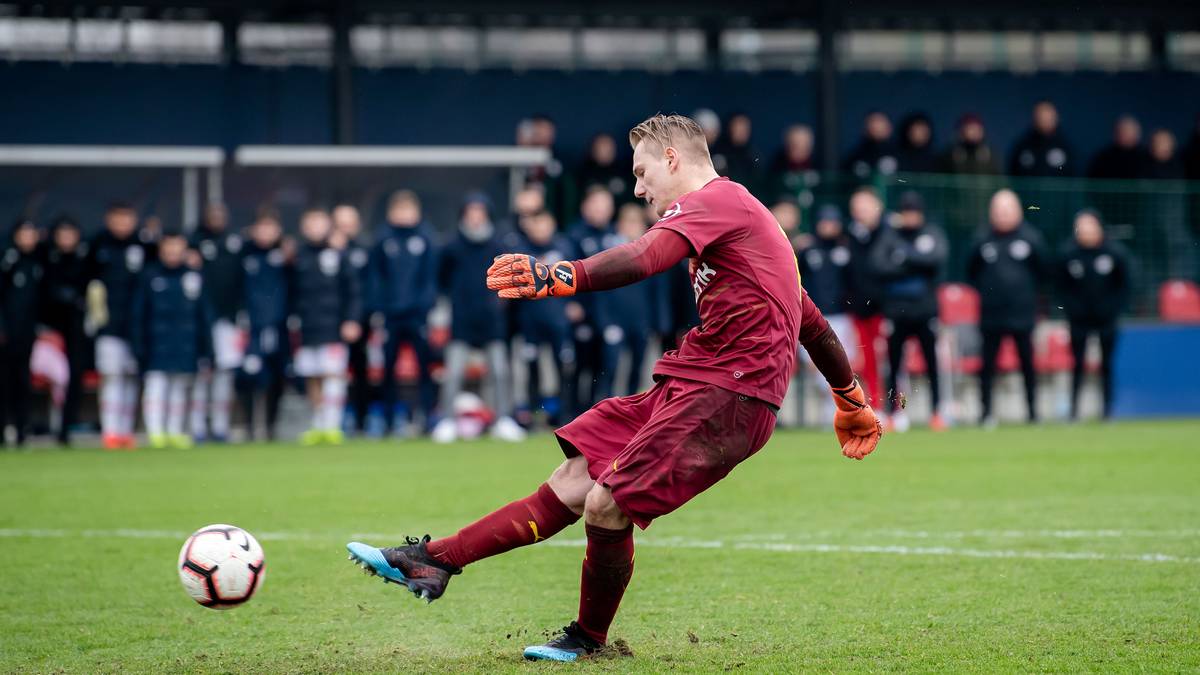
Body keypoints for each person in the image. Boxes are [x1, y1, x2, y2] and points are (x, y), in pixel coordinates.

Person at [346, 113, 883, 662]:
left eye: (642, 171)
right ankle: (434, 560)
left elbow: (648, 256)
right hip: (694, 380)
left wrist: (561, 275)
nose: (638, 188)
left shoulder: (717, 202)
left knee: (607, 502)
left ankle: (589, 639)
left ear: (673, 159)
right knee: (575, 478)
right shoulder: (738, 222)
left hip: (730, 394)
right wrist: (851, 400)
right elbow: (810, 319)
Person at [431, 192, 525, 444]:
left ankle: (503, 419)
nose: (475, 217)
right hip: (461, 320)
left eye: (479, 212)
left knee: (499, 371)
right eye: (471, 212)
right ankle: (447, 421)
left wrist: (499, 304)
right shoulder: (451, 246)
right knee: (453, 374)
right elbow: (441, 281)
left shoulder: (498, 245)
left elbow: (512, 279)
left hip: (492, 321)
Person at [966, 189, 1047, 426]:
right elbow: (971, 271)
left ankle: (1032, 413)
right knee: (988, 365)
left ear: (1018, 211)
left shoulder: (1031, 238)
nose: (1002, 215)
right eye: (997, 211)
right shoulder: (982, 239)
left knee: (1027, 364)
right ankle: (986, 414)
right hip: (991, 315)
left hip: (1022, 314)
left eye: (1007, 210)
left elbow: (1042, 272)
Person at [870, 191, 948, 432]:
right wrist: (916, 266)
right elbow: (878, 265)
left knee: (932, 363)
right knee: (893, 364)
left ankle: (937, 412)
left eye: (914, 212)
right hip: (897, 310)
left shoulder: (931, 233)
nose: (911, 217)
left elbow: (936, 260)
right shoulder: (890, 234)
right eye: (907, 213)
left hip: (925, 310)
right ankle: (894, 413)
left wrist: (904, 257)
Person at [130, 228, 212, 449]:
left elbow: (204, 315)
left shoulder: (193, 276)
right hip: (156, 343)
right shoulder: (149, 275)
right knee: (156, 387)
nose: (173, 251)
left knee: (180, 388)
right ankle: (155, 433)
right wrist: (138, 344)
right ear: (161, 248)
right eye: (169, 246)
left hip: (186, 343)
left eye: (178, 247)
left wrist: (207, 349)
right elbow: (138, 313)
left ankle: (175, 431)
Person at [290, 207, 361, 445]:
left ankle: (333, 425)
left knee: (334, 375)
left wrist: (351, 319)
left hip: (334, 325)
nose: (315, 229)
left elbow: (353, 290)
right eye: (310, 225)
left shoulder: (339, 254)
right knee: (313, 376)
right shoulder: (297, 255)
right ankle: (317, 424)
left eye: (320, 224)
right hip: (308, 326)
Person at [370, 190, 437, 435]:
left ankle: (426, 418)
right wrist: (380, 307)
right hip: (391, 316)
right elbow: (376, 277)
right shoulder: (383, 239)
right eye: (399, 210)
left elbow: (430, 278)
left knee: (424, 368)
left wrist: (424, 307)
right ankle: (388, 420)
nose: (404, 215)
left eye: (408, 210)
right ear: (391, 213)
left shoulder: (425, 238)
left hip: (417, 315)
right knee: (387, 369)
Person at [85, 202, 148, 450]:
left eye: (127, 219)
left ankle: (125, 431)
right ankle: (109, 430)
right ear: (109, 219)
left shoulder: (144, 245)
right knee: (111, 376)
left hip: (135, 327)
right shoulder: (97, 246)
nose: (123, 224)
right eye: (118, 219)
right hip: (108, 325)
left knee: (131, 377)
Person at [1056, 210, 1131, 421]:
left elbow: (1125, 286)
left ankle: (1108, 410)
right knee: (1077, 363)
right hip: (1078, 319)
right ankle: (1074, 411)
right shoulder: (1068, 253)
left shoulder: (1115, 253)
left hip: (1107, 319)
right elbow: (1060, 288)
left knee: (1107, 364)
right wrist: (1071, 310)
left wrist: (1113, 309)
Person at [506, 208, 578, 425]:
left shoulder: (564, 248)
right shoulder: (521, 252)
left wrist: (575, 304)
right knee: (532, 368)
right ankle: (532, 415)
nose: (541, 229)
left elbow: (580, 277)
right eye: (536, 224)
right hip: (531, 322)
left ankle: (564, 415)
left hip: (558, 321)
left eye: (544, 223)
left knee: (564, 367)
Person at [794, 205, 857, 424]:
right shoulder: (807, 249)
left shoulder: (846, 248)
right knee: (817, 367)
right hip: (814, 316)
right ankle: (829, 410)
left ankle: (841, 411)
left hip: (841, 316)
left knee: (840, 365)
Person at [188, 203, 243, 443]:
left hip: (227, 319)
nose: (217, 219)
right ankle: (196, 426)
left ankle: (220, 426)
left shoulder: (235, 242)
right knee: (201, 373)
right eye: (213, 215)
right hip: (199, 320)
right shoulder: (194, 243)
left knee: (224, 374)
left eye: (221, 214)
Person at [239, 208, 290, 441]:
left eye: (271, 228)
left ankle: (270, 426)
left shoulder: (287, 255)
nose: (266, 233)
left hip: (279, 326)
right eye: (262, 227)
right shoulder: (243, 253)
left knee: (276, 376)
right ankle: (249, 425)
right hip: (251, 326)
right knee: (247, 376)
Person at [568, 186, 621, 408]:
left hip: (610, 315)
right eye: (597, 204)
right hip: (584, 314)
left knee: (608, 368)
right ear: (585, 206)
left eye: (605, 205)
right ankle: (575, 414)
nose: (601, 210)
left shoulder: (616, 237)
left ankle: (604, 414)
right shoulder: (574, 236)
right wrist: (572, 303)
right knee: (581, 368)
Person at [42, 216, 90, 446]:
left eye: (71, 234)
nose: (66, 239)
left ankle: (65, 428)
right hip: (47, 334)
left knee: (71, 377)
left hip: (75, 332)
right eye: (62, 234)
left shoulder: (84, 260)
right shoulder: (46, 259)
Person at [0, 219, 46, 446]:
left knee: (22, 380)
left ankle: (21, 430)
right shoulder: (8, 260)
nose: (29, 239)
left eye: (32, 234)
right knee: (4, 382)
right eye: (24, 234)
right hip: (6, 333)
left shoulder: (37, 262)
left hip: (27, 333)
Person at [331, 203, 374, 436]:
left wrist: (358, 319)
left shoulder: (364, 249)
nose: (346, 228)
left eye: (349, 223)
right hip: (329, 320)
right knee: (328, 373)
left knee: (360, 371)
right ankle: (329, 423)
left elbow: (368, 287)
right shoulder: (326, 251)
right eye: (341, 224)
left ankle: (360, 421)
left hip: (359, 321)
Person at [844, 187, 887, 408]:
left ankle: (897, 408)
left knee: (888, 359)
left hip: (885, 308)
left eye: (865, 206)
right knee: (866, 359)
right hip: (859, 308)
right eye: (857, 208)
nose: (861, 212)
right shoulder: (849, 236)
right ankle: (875, 405)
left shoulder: (889, 233)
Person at [1009, 100, 1074, 177]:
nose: (1044, 121)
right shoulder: (1023, 146)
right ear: (1034, 119)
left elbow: (1071, 175)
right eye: (1041, 117)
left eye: (1048, 118)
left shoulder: (1065, 147)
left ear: (1055, 118)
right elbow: (1013, 173)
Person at [768, 124, 818, 208]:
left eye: (805, 144)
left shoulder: (818, 163)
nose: (800, 147)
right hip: (785, 210)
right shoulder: (778, 164)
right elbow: (772, 191)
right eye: (796, 144)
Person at [710, 112, 760, 195]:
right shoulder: (716, 153)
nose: (742, 132)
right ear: (729, 128)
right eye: (738, 127)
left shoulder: (753, 156)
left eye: (745, 128)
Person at [575, 133, 630, 206]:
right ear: (594, 149)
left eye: (609, 147)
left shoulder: (623, 172)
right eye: (602, 147)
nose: (606, 150)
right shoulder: (583, 173)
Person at [1087, 115, 1149, 179]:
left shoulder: (1146, 157)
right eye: (1120, 131)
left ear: (1137, 134)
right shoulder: (1104, 157)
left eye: (1127, 132)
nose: (1123, 135)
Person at [843, 111, 898, 178]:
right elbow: (845, 180)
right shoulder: (856, 157)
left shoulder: (901, 155)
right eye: (872, 122)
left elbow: (906, 180)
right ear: (864, 129)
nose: (876, 126)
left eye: (879, 121)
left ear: (889, 128)